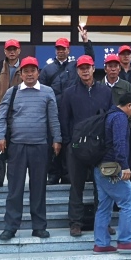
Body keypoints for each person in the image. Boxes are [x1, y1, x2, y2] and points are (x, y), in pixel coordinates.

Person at [0, 57, 62, 241]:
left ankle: (39, 226)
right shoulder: (12, 92)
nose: (30, 74)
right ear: (21, 74)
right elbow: (1, 116)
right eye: (26, 71)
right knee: (14, 189)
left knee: (38, 188)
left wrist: (57, 139)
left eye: (33, 70)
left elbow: (53, 118)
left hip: (40, 146)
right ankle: (10, 226)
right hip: (17, 146)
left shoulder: (47, 92)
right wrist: (0, 136)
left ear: (38, 73)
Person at [59, 54, 113, 237]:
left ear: (93, 68)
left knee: (102, 187)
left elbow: (110, 118)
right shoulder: (69, 93)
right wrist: (68, 143)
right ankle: (75, 223)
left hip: (99, 147)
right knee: (76, 186)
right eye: (81, 68)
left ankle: (103, 222)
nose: (85, 71)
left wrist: (108, 144)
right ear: (77, 70)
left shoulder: (105, 91)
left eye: (87, 67)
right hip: (77, 148)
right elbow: (64, 119)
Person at [92, 92, 131, 254]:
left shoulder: (108, 114)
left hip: (100, 167)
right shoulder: (120, 118)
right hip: (113, 168)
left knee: (104, 206)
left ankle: (101, 243)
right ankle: (125, 240)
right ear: (129, 106)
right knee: (128, 202)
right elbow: (119, 143)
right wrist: (124, 166)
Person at [40, 29, 95, 185]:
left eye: (63, 48)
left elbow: (90, 59)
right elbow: (42, 90)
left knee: (68, 143)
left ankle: (66, 173)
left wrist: (86, 41)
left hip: (71, 112)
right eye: (58, 48)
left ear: (68, 50)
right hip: (54, 112)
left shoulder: (74, 66)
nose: (61, 51)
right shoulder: (47, 69)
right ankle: (53, 174)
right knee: (53, 142)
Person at [0, 39, 23, 189]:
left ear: (19, 50)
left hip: (17, 112)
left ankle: (14, 179)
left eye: (14, 49)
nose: (12, 52)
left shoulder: (24, 67)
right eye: (9, 49)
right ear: (5, 51)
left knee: (15, 146)